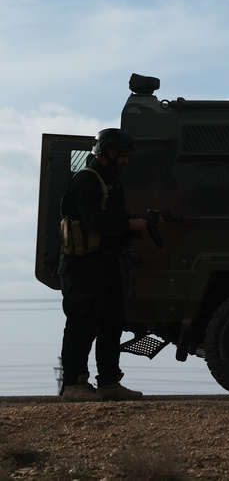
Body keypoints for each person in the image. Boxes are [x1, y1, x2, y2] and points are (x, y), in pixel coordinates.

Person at [58, 128, 150, 402]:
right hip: (83, 263)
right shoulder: (86, 180)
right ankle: (74, 384)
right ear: (105, 152)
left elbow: (116, 221)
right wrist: (128, 225)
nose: (125, 161)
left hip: (106, 262)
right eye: (121, 155)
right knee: (82, 323)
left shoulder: (111, 182)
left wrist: (141, 222)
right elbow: (95, 222)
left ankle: (109, 382)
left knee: (112, 323)